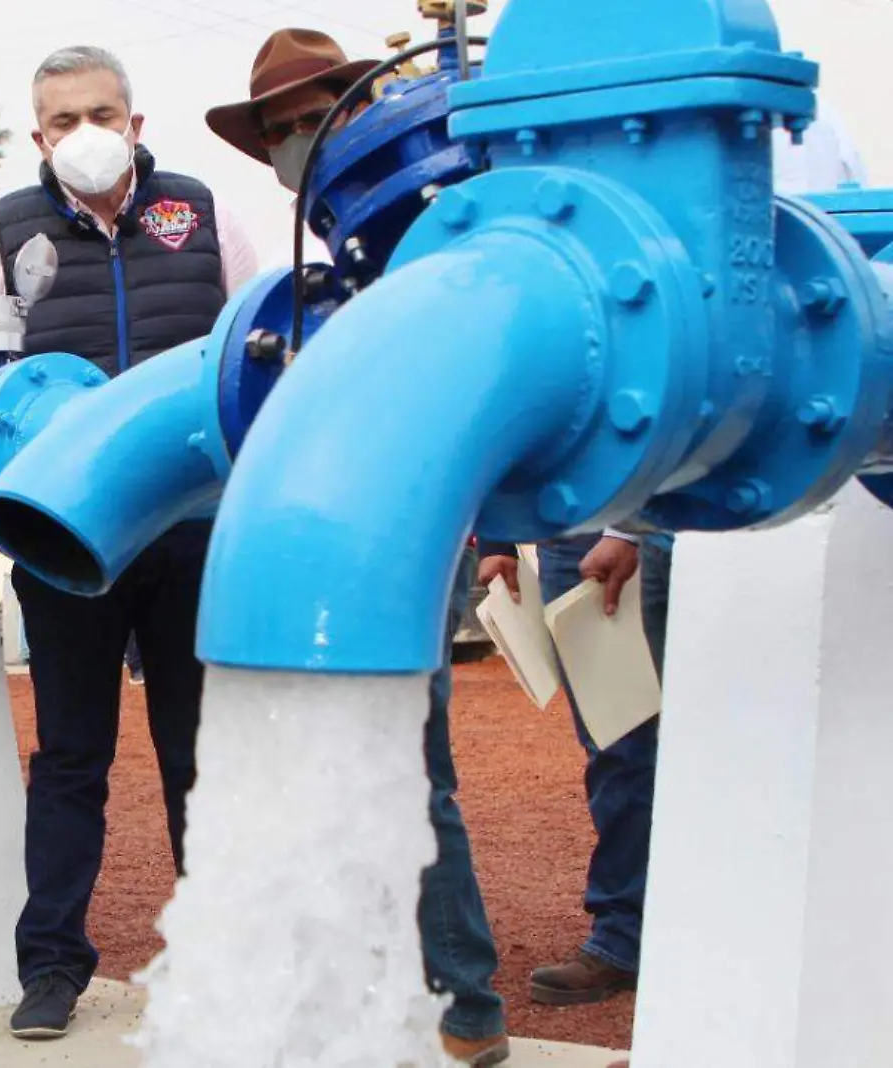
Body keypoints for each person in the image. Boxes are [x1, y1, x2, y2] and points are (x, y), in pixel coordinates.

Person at [479, 115, 868, 1064]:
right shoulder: (567, 156)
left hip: (717, 489)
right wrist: (504, 529)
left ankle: (713, 927)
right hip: (602, 494)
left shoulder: (800, 140)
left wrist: (628, 527)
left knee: (728, 720)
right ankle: (630, 928)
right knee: (617, 730)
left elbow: (762, 327)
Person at [206, 28, 509, 1066]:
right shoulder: (330, 260)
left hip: (415, 534)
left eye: (310, 116)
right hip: (324, 532)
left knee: (406, 768)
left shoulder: (430, 239)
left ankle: (463, 1002)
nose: (298, 138)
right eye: (281, 128)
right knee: (318, 767)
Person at [0, 44, 257, 1041]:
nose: (84, 133)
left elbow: (252, 356)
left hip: (190, 530)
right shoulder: (0, 237)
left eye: (101, 113)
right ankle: (50, 966)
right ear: (37, 137)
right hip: (66, 537)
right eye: (62, 119)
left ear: (133, 122)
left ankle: (219, 957)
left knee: (197, 755)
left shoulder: (204, 215)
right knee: (71, 758)